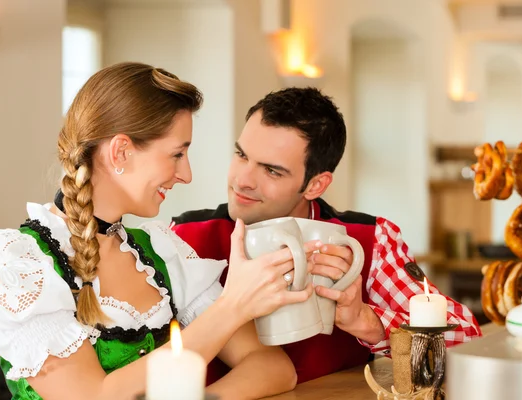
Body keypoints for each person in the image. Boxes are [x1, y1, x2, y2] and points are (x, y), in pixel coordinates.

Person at [0, 63, 316, 400]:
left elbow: (273, 367)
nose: (186, 174)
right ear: (121, 151)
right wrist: (232, 307)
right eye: (177, 154)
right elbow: (92, 396)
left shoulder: (163, 252)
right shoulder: (17, 264)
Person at [172, 87, 482, 384]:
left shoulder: (371, 240)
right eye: (241, 155)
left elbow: (468, 340)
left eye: (272, 171)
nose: (242, 180)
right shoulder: (181, 239)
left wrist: (366, 320)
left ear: (316, 185)